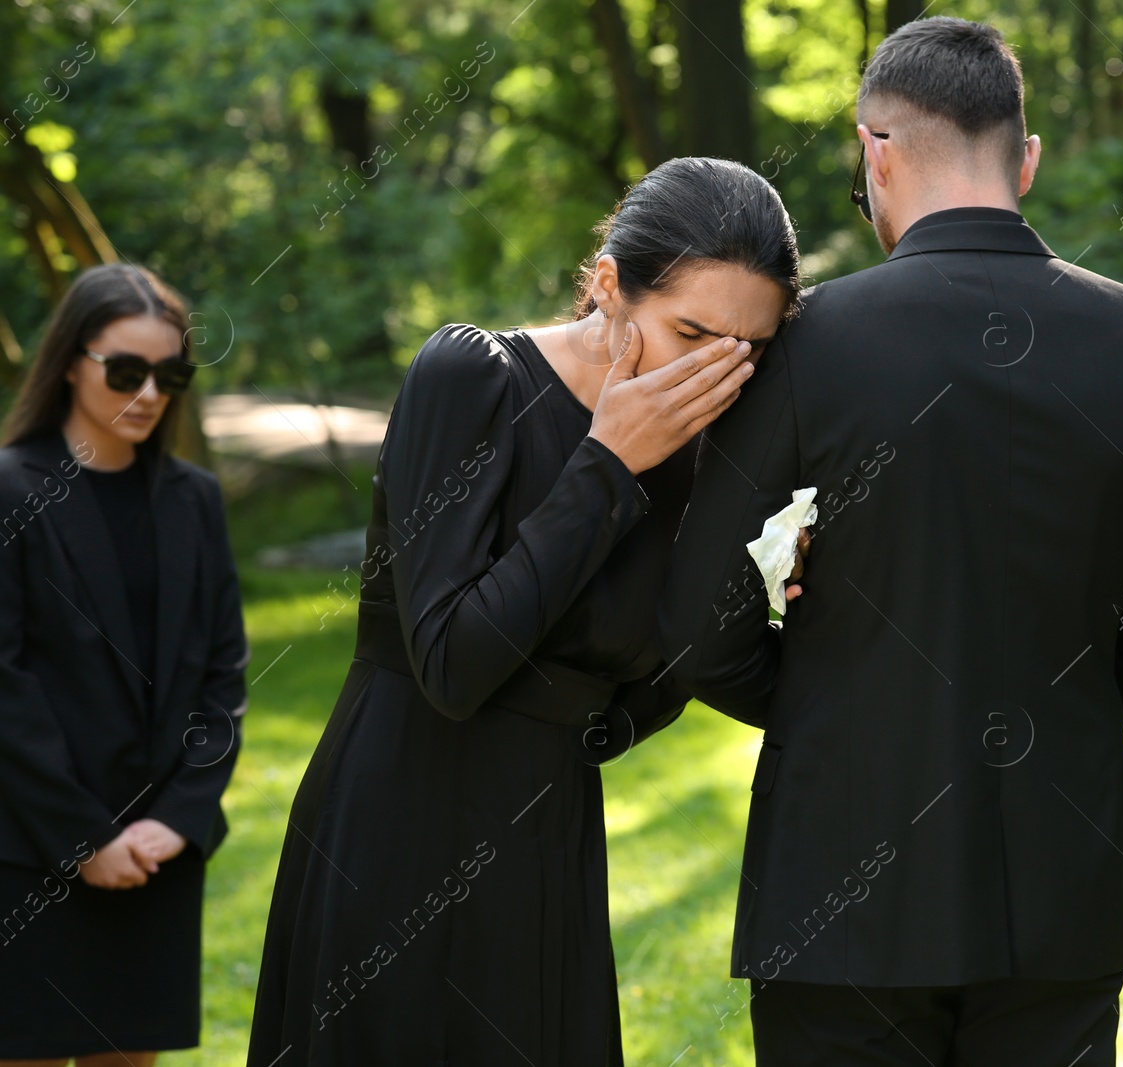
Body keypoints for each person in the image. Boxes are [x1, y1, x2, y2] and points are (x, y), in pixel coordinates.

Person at [659, 18, 1123, 1066]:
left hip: (839, 867)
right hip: (1064, 870)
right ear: (1028, 156)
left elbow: (697, 622)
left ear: (873, 151)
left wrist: (837, 706)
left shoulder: (806, 338)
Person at [246, 157, 800, 1066]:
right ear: (611, 285)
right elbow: (453, 663)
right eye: (691, 331)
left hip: (545, 836)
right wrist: (607, 465)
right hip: (397, 822)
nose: (714, 374)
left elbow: (658, 671)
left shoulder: (708, 455)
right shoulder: (472, 377)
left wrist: (760, 591)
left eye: (748, 351)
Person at [0, 263, 248, 1066]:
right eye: (126, 370)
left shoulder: (195, 498)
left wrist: (178, 817)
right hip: (27, 847)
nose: (147, 392)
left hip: (156, 854)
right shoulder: (8, 489)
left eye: (169, 374)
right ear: (73, 359)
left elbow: (223, 672)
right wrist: (81, 837)